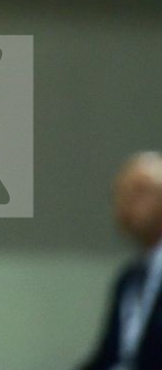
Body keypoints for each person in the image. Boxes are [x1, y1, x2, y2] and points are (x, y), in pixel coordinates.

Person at [78, 152, 162, 370]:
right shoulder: (128, 279)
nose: (125, 202)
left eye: (140, 191)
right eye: (120, 192)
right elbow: (109, 356)